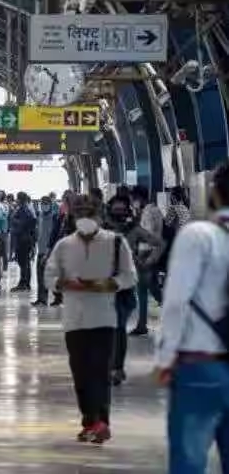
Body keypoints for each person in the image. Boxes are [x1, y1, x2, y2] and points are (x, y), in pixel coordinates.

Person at [155, 163, 229, 473]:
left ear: (214, 192)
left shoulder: (199, 235)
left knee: (189, 460)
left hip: (203, 365)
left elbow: (176, 301)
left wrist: (165, 357)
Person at [45, 195, 137, 444]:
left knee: (100, 371)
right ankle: (89, 421)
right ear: (74, 217)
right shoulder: (64, 245)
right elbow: (49, 276)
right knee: (81, 374)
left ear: (99, 216)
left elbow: (130, 276)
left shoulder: (116, 242)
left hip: (105, 318)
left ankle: (101, 422)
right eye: (80, 214)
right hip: (74, 320)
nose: (84, 218)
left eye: (89, 213)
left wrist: (110, 284)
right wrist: (63, 283)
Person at [105, 195, 164, 385]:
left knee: (119, 327)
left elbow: (160, 244)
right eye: (116, 210)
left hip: (124, 286)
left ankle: (116, 368)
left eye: (123, 210)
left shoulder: (134, 230)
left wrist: (147, 261)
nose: (119, 214)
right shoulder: (100, 230)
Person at [130, 185, 164, 335]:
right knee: (146, 289)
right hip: (149, 253)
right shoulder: (152, 210)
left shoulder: (149, 212)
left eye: (133, 199)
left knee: (148, 289)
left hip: (147, 253)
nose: (132, 203)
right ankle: (141, 324)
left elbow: (148, 234)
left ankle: (142, 324)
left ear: (139, 198)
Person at [32, 196, 58, 306]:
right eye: (43, 203)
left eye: (46, 203)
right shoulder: (40, 216)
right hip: (41, 250)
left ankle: (58, 297)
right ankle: (41, 299)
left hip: (51, 252)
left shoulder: (54, 218)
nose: (44, 206)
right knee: (40, 275)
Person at [10, 192, 37, 292]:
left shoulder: (24, 210)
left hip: (23, 239)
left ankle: (24, 283)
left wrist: (14, 220)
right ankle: (24, 282)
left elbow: (23, 224)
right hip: (25, 238)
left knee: (24, 261)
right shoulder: (27, 209)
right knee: (24, 262)